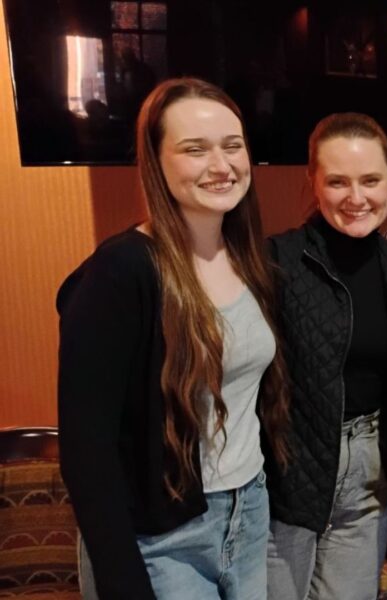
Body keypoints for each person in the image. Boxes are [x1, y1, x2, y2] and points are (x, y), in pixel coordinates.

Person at [57, 77, 290, 599]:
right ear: (156, 161)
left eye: (232, 146)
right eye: (194, 149)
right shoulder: (122, 271)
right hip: (164, 536)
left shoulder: (254, 258)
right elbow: (85, 449)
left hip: (248, 512)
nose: (222, 164)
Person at [265, 113, 387, 600]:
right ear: (313, 182)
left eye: (370, 180)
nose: (357, 198)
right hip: (286, 474)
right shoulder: (275, 260)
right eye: (337, 181)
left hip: (368, 475)